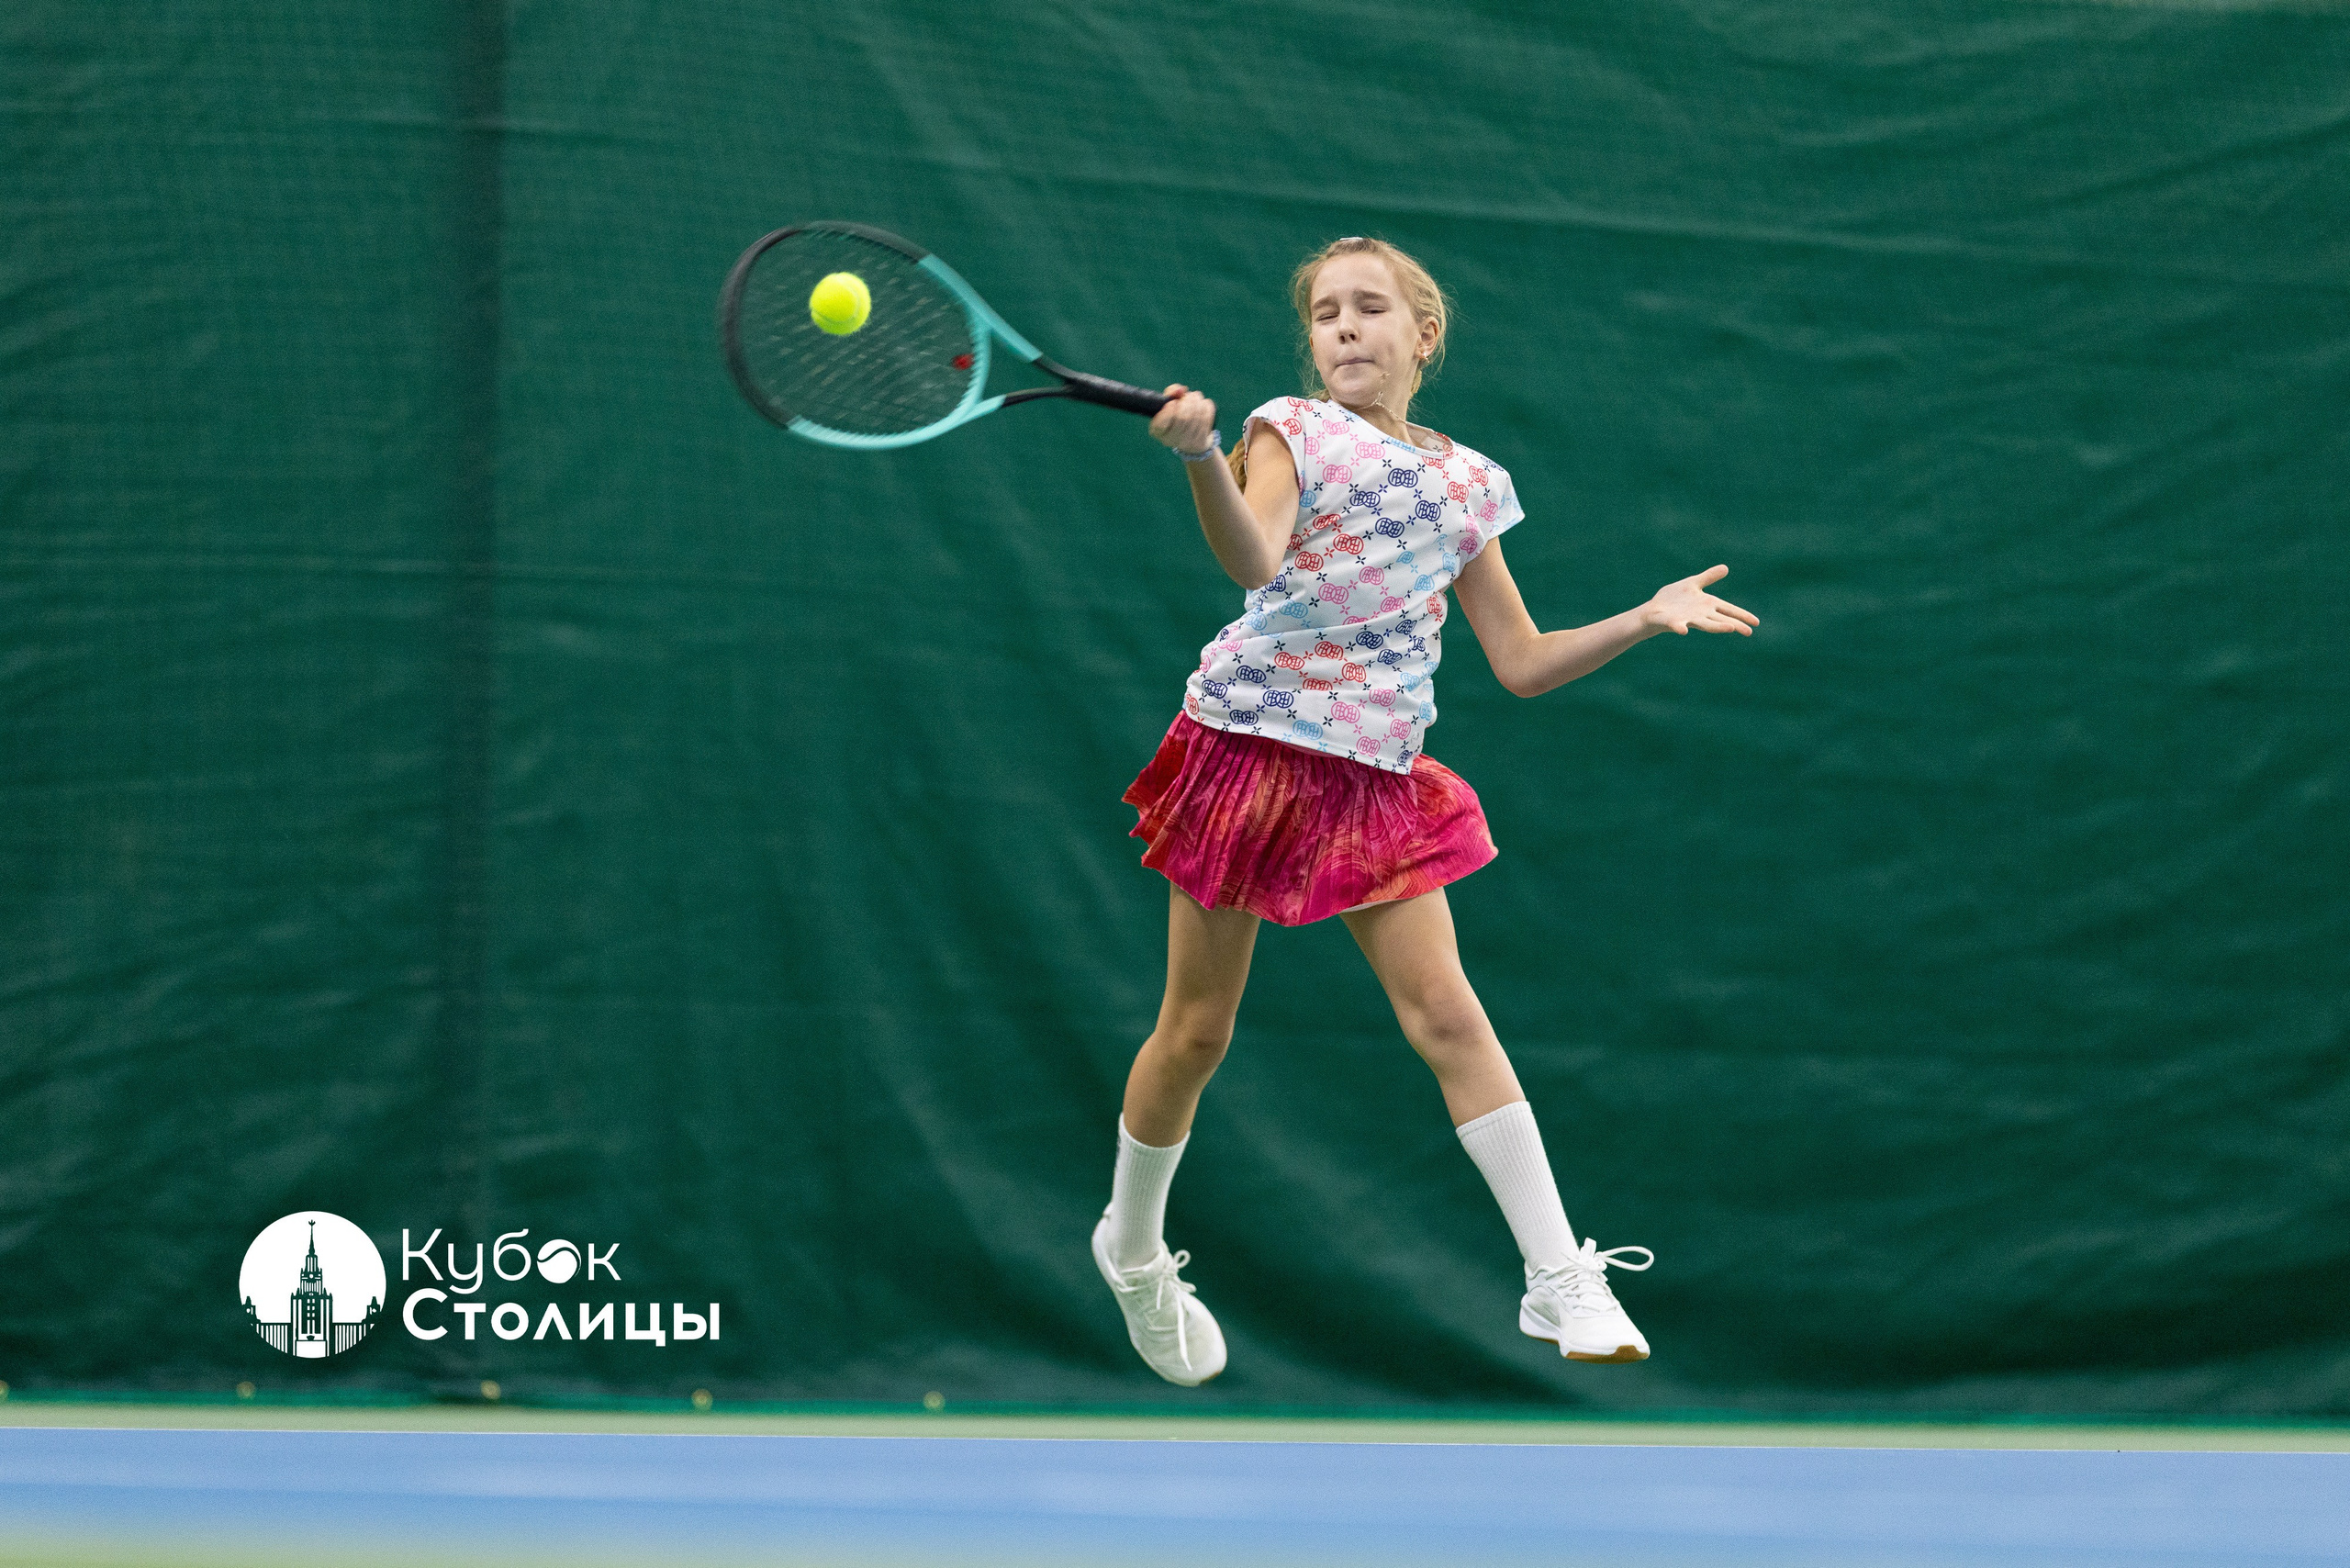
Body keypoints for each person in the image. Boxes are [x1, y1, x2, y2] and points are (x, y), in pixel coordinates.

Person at [1091, 236, 1759, 1386]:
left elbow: (1521, 660)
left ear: (1422, 333)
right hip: (1246, 751)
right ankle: (1134, 1247)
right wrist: (1202, 454)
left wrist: (1643, 618)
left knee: (1448, 1015)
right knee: (1197, 1032)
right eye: (1325, 314)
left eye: (1370, 308)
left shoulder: (1469, 482)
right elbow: (1252, 561)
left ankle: (1558, 1276)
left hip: (1376, 776)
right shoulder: (1287, 430)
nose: (1345, 328)